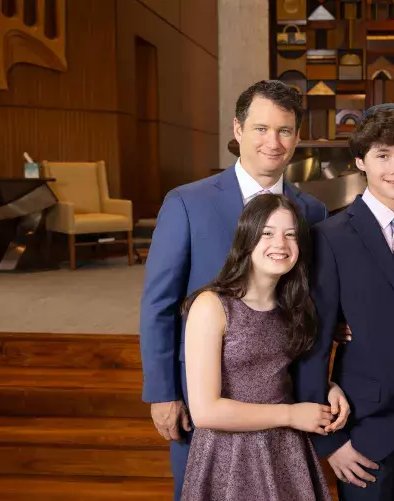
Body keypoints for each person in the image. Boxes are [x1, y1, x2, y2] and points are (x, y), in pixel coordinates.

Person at [139, 80, 329, 501]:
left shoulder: (312, 211)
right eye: (261, 128)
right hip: (201, 393)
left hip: (281, 396)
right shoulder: (188, 202)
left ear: (297, 138)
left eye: (284, 131)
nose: (273, 142)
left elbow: (310, 299)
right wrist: (162, 392)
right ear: (238, 130)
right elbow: (159, 303)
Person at [293, 104, 394, 501]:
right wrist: (332, 441)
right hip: (364, 430)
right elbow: (314, 340)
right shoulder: (330, 237)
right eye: (383, 155)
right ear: (360, 160)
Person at [180, 194, 346, 501]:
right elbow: (205, 412)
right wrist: (292, 415)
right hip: (229, 454)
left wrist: (329, 387)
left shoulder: (293, 306)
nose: (280, 244)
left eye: (290, 235)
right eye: (267, 233)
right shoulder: (212, 306)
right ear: (247, 239)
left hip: (285, 449)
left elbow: (281, 374)